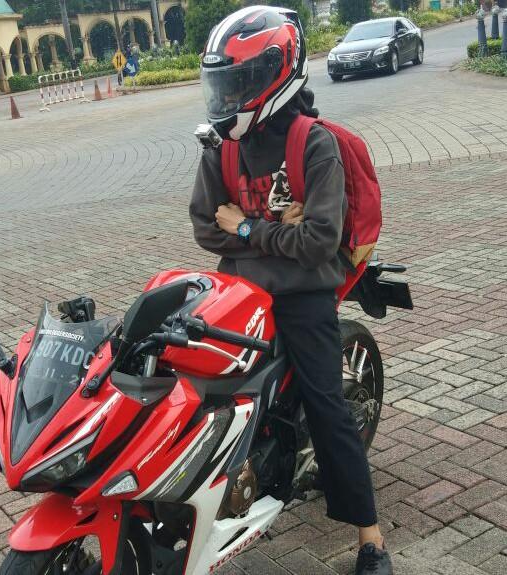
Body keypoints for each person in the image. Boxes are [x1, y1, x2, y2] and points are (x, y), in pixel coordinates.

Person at [189, 6, 392, 575]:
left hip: (303, 295)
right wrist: (282, 229)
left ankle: (371, 538)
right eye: (223, 84)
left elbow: (320, 241)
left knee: (327, 406)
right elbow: (205, 225)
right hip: (238, 293)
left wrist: (247, 230)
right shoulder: (222, 147)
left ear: (273, 76)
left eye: (240, 83)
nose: (228, 96)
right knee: (201, 389)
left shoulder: (313, 143)